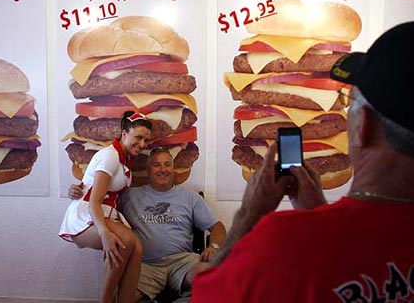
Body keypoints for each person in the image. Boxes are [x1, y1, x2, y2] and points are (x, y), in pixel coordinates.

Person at [192, 22, 414, 303]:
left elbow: (207, 296)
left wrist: (248, 216)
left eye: (349, 100)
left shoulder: (284, 242)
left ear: (363, 127)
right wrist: (320, 213)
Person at [70, 146, 226, 302]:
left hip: (183, 262)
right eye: (157, 165)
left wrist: (214, 247)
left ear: (173, 168)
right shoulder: (128, 196)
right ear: (148, 170)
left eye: (167, 164)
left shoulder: (191, 198)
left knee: (214, 277)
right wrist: (78, 192)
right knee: (121, 299)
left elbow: (217, 227)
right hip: (145, 266)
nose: (163, 169)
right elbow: (100, 199)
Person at [59, 111, 152, 303]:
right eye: (138, 137)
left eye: (146, 140)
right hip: (87, 214)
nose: (142, 144)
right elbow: (94, 201)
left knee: (137, 248)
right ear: (124, 134)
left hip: (106, 213)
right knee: (124, 241)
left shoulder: (124, 159)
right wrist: (105, 233)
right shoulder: (110, 156)